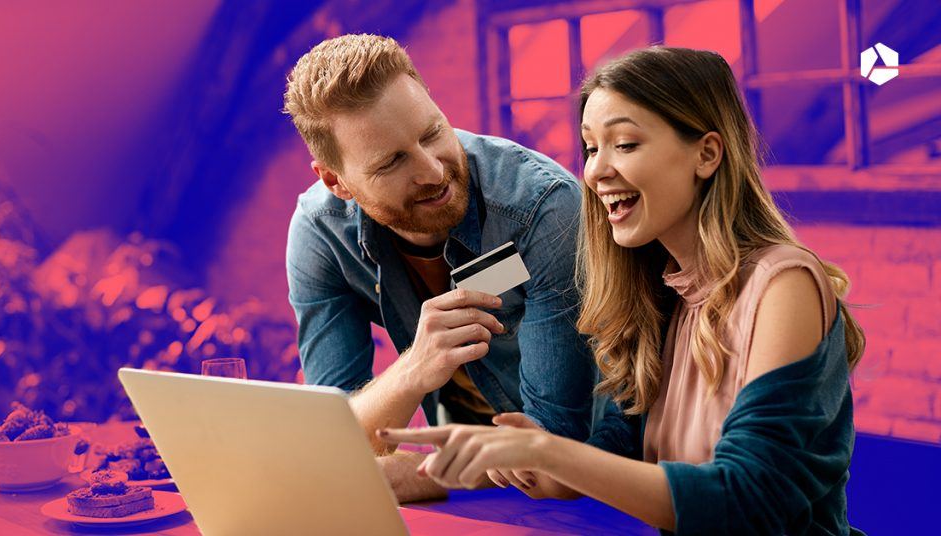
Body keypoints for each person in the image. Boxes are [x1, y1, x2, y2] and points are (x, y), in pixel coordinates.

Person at [380, 46, 866, 535]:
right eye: (591, 148)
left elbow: (749, 500)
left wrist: (551, 452)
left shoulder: (783, 285)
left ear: (707, 153)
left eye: (625, 144)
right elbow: (624, 445)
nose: (595, 172)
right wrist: (545, 468)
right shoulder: (665, 293)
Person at [282, 34, 597, 502]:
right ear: (336, 181)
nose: (432, 171)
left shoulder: (541, 208)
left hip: (586, 492)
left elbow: (555, 443)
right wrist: (413, 369)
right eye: (392, 161)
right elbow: (334, 433)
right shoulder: (321, 232)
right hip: (470, 488)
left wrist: (420, 474)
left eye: (432, 132)